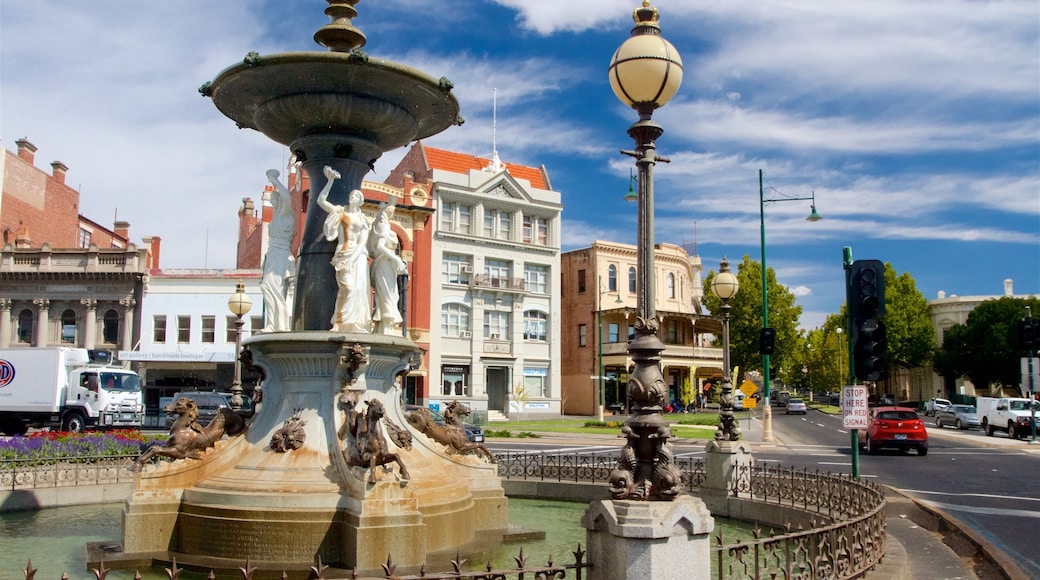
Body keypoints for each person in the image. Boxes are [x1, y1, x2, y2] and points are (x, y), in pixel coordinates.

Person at [318, 166, 372, 332]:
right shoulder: (340, 212)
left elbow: (363, 242)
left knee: (358, 289)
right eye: (351, 195)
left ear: (360, 200)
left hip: (359, 255)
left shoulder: (363, 220)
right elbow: (321, 201)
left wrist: (353, 259)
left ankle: (353, 322)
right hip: (343, 254)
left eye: (356, 195)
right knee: (346, 287)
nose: (352, 197)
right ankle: (340, 321)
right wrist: (330, 181)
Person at [261, 168, 296, 332]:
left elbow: (287, 197)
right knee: (268, 287)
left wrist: (275, 181)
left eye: (275, 199)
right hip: (273, 253)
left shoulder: (286, 216)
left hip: (282, 253)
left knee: (273, 286)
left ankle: (279, 324)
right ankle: (273, 324)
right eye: (272, 199)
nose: (273, 201)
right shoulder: (275, 218)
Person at [368, 200, 407, 335]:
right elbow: (379, 247)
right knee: (388, 295)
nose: (391, 214)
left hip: (385, 264)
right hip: (384, 263)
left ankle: (381, 327)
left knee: (389, 295)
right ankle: (386, 327)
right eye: (389, 212)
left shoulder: (380, 225)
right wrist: (396, 258)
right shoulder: (383, 226)